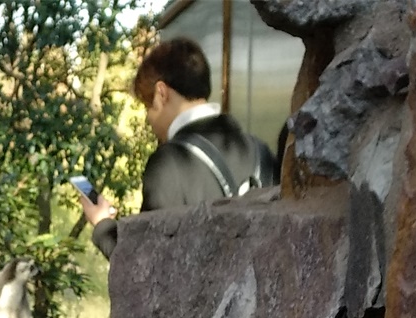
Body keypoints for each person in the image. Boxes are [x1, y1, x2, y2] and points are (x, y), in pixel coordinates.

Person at [78, 36, 278, 257]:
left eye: (147, 106)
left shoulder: (169, 164)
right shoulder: (260, 152)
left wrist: (103, 225)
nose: (148, 119)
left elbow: (147, 267)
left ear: (161, 93)